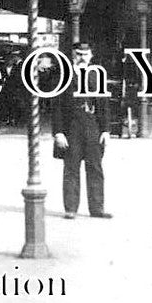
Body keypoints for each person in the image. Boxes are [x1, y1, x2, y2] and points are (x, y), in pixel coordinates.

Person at [52, 42, 112, 219]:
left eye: (85, 55)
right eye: (78, 54)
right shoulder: (64, 76)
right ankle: (70, 208)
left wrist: (106, 130)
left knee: (95, 168)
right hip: (72, 127)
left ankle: (97, 209)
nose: (82, 58)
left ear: (91, 56)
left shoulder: (96, 75)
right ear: (72, 55)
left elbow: (104, 104)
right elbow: (56, 106)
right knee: (71, 169)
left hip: (93, 125)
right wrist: (58, 132)